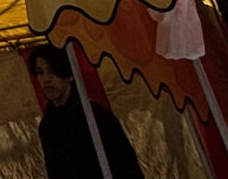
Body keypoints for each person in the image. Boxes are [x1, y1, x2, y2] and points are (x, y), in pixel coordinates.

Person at [29, 44, 146, 179]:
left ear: (69, 75)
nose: (46, 79)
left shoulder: (95, 116)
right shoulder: (47, 125)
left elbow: (125, 165)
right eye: (40, 72)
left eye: (52, 71)